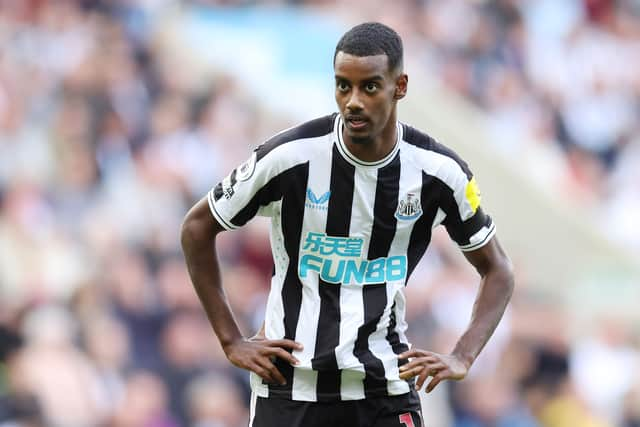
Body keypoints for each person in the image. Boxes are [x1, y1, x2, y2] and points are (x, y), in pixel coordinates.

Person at [181, 22, 514, 427]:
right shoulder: (291, 157)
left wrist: (463, 354)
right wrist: (231, 339)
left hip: (384, 385)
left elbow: (497, 269)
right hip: (292, 385)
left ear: (400, 86)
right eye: (343, 86)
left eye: (369, 87)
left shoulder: (439, 172)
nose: (353, 101)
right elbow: (197, 227)